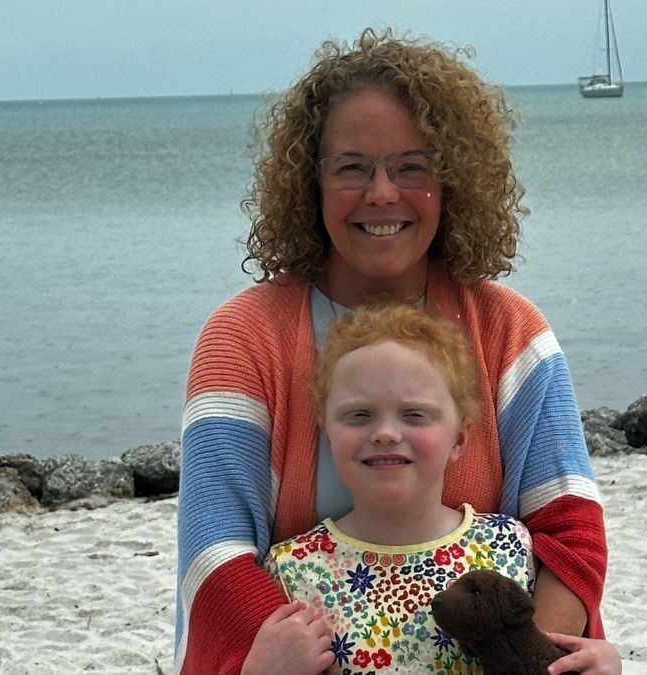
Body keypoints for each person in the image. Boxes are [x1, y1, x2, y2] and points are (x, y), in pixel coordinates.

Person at [175, 27, 610, 674]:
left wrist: (524, 661)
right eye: (352, 167)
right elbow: (217, 550)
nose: (382, 193)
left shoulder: (509, 329)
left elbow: (570, 527)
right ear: (310, 182)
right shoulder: (242, 339)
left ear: (454, 178)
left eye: (412, 166)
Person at [252, 303, 619, 675]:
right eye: (359, 414)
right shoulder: (294, 569)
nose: (385, 433)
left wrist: (600, 663)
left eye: (414, 414)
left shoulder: (508, 545)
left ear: (459, 438)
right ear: (328, 435)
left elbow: (546, 659)